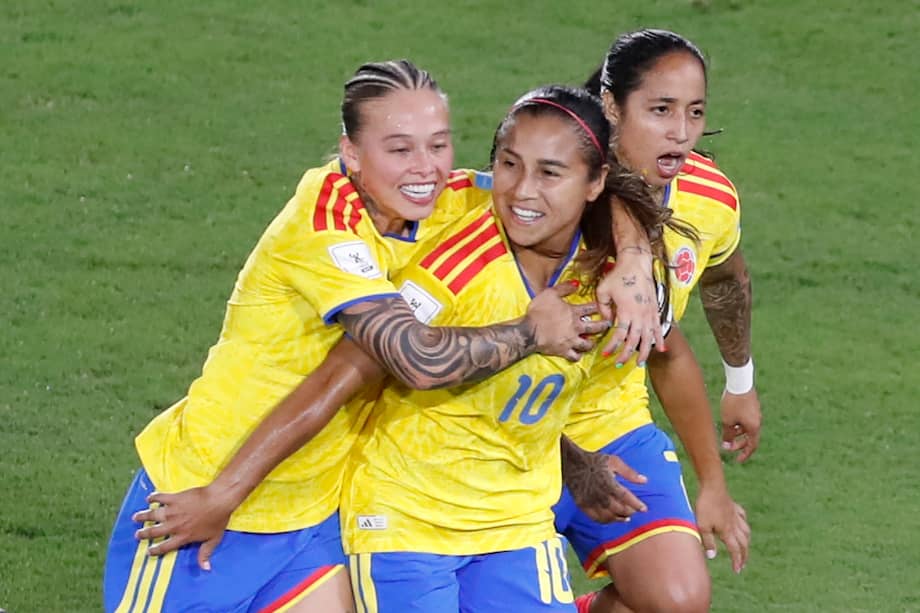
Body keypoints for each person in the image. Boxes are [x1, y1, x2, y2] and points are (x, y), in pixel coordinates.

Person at [103, 61, 657, 613]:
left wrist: (632, 261)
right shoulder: (328, 223)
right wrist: (531, 331)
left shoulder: (463, 202)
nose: (426, 169)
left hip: (314, 513)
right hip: (212, 491)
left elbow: (584, 184)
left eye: (438, 145)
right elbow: (411, 359)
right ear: (351, 153)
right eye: (399, 149)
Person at [340, 84, 670, 612]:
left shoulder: (609, 275)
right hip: (407, 519)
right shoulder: (458, 244)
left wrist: (633, 255)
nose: (522, 191)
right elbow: (384, 361)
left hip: (514, 520)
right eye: (509, 165)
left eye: (549, 173)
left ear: (595, 184)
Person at [554, 29, 760, 613]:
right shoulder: (550, 196)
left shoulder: (708, 195)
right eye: (661, 110)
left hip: (611, 422)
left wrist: (739, 384)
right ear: (611, 106)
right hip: (510, 430)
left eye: (695, 113)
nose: (681, 133)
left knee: (679, 600)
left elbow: (720, 285)